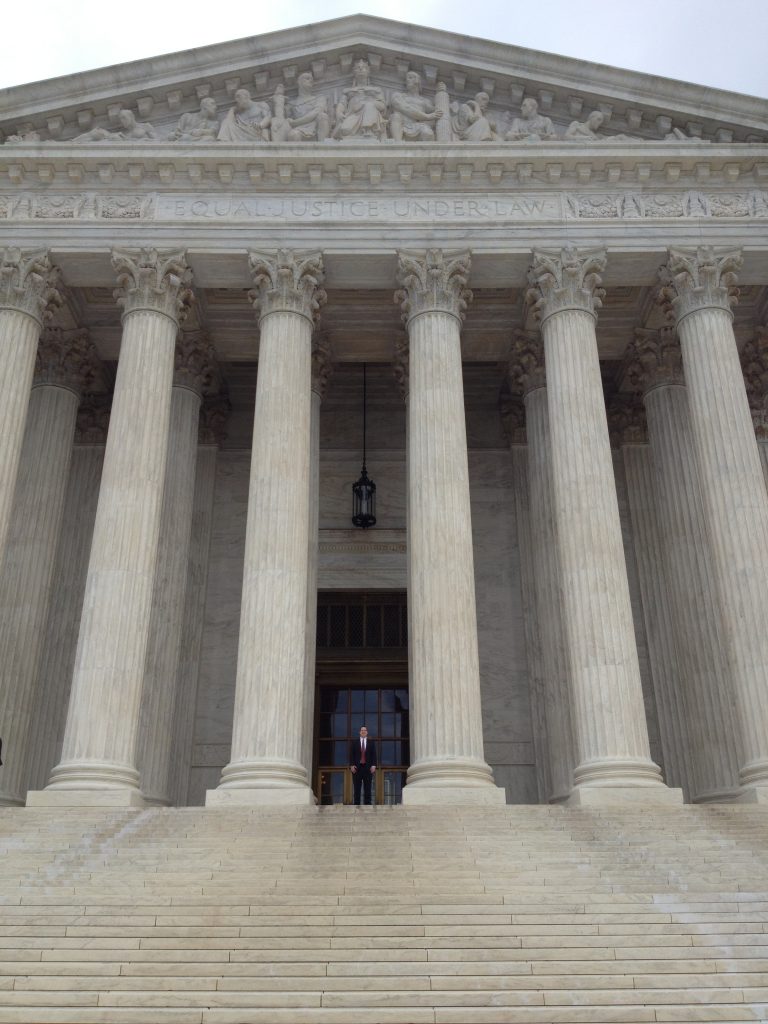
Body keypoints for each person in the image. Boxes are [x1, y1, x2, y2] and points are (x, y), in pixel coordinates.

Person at [390, 71, 442, 142]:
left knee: (427, 133)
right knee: (396, 116)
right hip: (402, 126)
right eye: (408, 78)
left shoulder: (425, 101)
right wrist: (427, 116)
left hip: (419, 126)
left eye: (410, 77)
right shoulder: (399, 96)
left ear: (417, 81)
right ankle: (397, 145)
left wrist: (441, 91)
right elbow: (406, 108)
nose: (407, 80)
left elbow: (438, 111)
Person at [349, 725, 377, 805]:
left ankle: (367, 804)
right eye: (362, 730)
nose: (363, 731)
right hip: (357, 768)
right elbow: (351, 754)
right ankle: (356, 804)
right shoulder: (355, 742)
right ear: (359, 732)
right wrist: (351, 765)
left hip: (368, 768)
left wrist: (374, 765)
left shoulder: (371, 743)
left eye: (365, 730)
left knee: (367, 787)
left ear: (367, 732)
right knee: (357, 787)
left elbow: (373, 754)